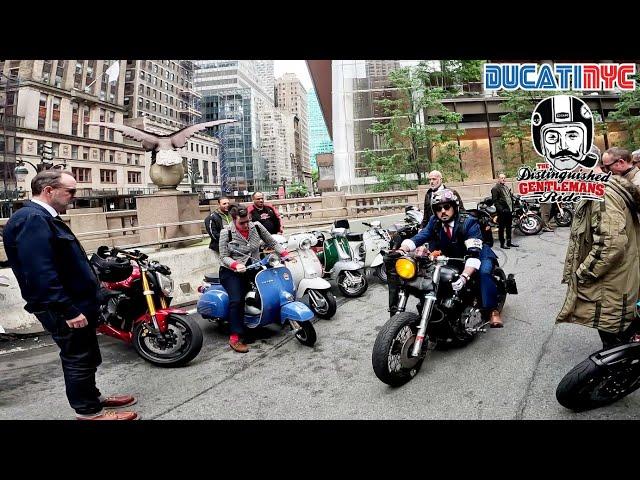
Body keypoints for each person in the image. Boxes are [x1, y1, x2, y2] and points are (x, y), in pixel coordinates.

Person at [2, 171, 138, 420]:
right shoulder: (32, 219)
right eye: (71, 191)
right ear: (48, 190)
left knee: (87, 354)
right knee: (77, 356)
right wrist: (68, 309)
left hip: (77, 302)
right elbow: (40, 273)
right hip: (64, 307)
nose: (74, 197)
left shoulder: (44, 217)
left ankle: (92, 397)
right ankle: (90, 412)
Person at [556, 157, 640, 349]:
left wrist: (584, 272)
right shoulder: (599, 189)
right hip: (614, 282)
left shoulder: (601, 192)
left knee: (616, 346)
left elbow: (610, 243)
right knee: (617, 339)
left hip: (610, 285)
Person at [395, 188, 504, 327]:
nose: (443, 211)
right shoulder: (435, 221)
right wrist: (402, 249)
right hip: (453, 256)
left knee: (483, 273)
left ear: (454, 207)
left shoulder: (468, 222)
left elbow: (474, 253)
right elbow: (420, 236)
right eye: (438, 208)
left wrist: (465, 276)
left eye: (447, 207)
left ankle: (493, 310)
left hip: (478, 255)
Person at [218, 207, 290, 353]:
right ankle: (235, 337)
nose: (246, 225)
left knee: (272, 287)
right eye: (242, 222)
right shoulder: (226, 232)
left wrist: (284, 253)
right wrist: (235, 264)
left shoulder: (256, 226)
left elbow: (271, 242)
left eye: (248, 221)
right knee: (237, 300)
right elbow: (223, 256)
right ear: (234, 220)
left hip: (254, 267)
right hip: (232, 271)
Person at [491, 173, 519, 249]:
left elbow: (509, 197)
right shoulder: (495, 188)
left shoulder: (506, 187)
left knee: (509, 227)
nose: (503, 179)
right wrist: (501, 210)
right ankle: (502, 244)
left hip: (509, 210)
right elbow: (495, 201)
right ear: (498, 179)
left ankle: (509, 242)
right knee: (501, 228)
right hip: (502, 211)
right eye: (501, 178)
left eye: (504, 178)